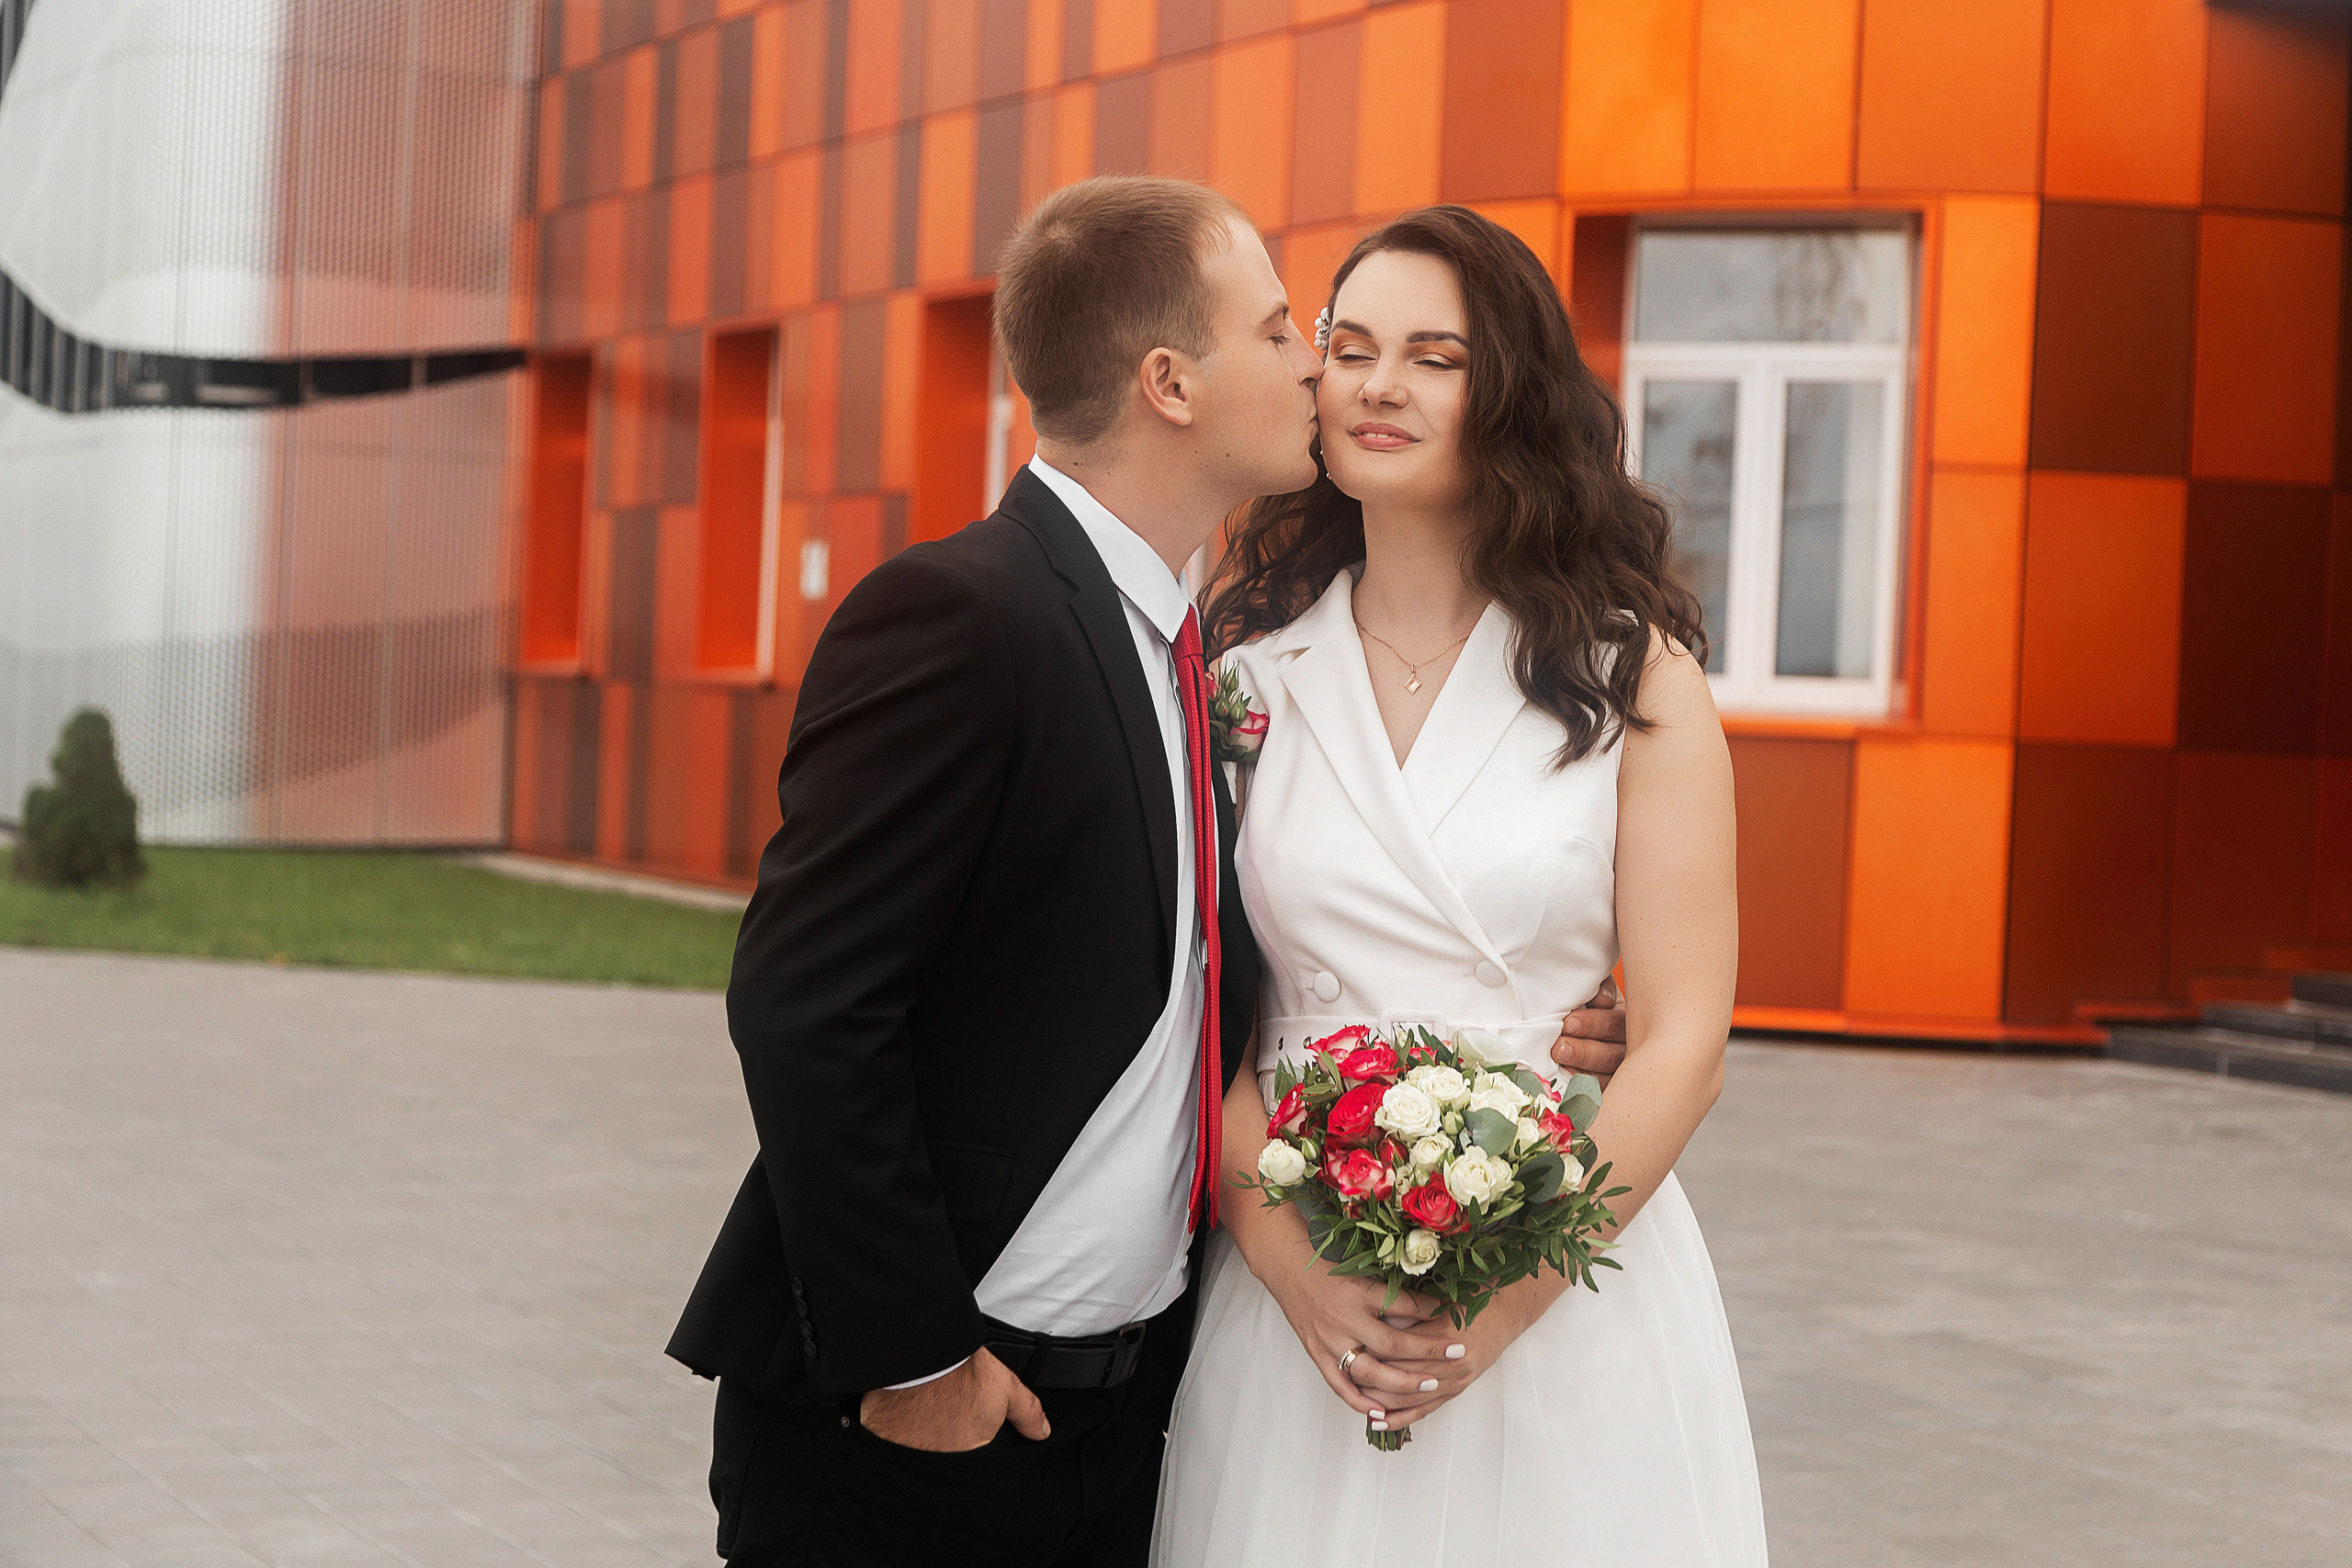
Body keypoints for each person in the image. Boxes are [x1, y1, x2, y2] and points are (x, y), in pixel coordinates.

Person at [663, 175, 1627, 1567]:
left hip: (1133, 1425)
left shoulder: (1209, 666)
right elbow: (806, 1006)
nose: (1319, 365)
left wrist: (1551, 1018)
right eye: (1287, 328)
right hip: (920, 1425)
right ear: (1171, 382)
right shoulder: (962, 614)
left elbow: (1233, 966)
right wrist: (917, 1360)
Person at [1153, 207, 1767, 1564]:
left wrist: (1503, 1305)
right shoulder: (1244, 678)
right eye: (1350, 346)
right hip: (1305, 1285)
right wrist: (1290, 1269)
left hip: (1570, 1289)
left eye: (1435, 355)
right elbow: (1207, 1023)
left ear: (1513, 397)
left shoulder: (1634, 674)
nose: (1379, 385)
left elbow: (1683, 1041)